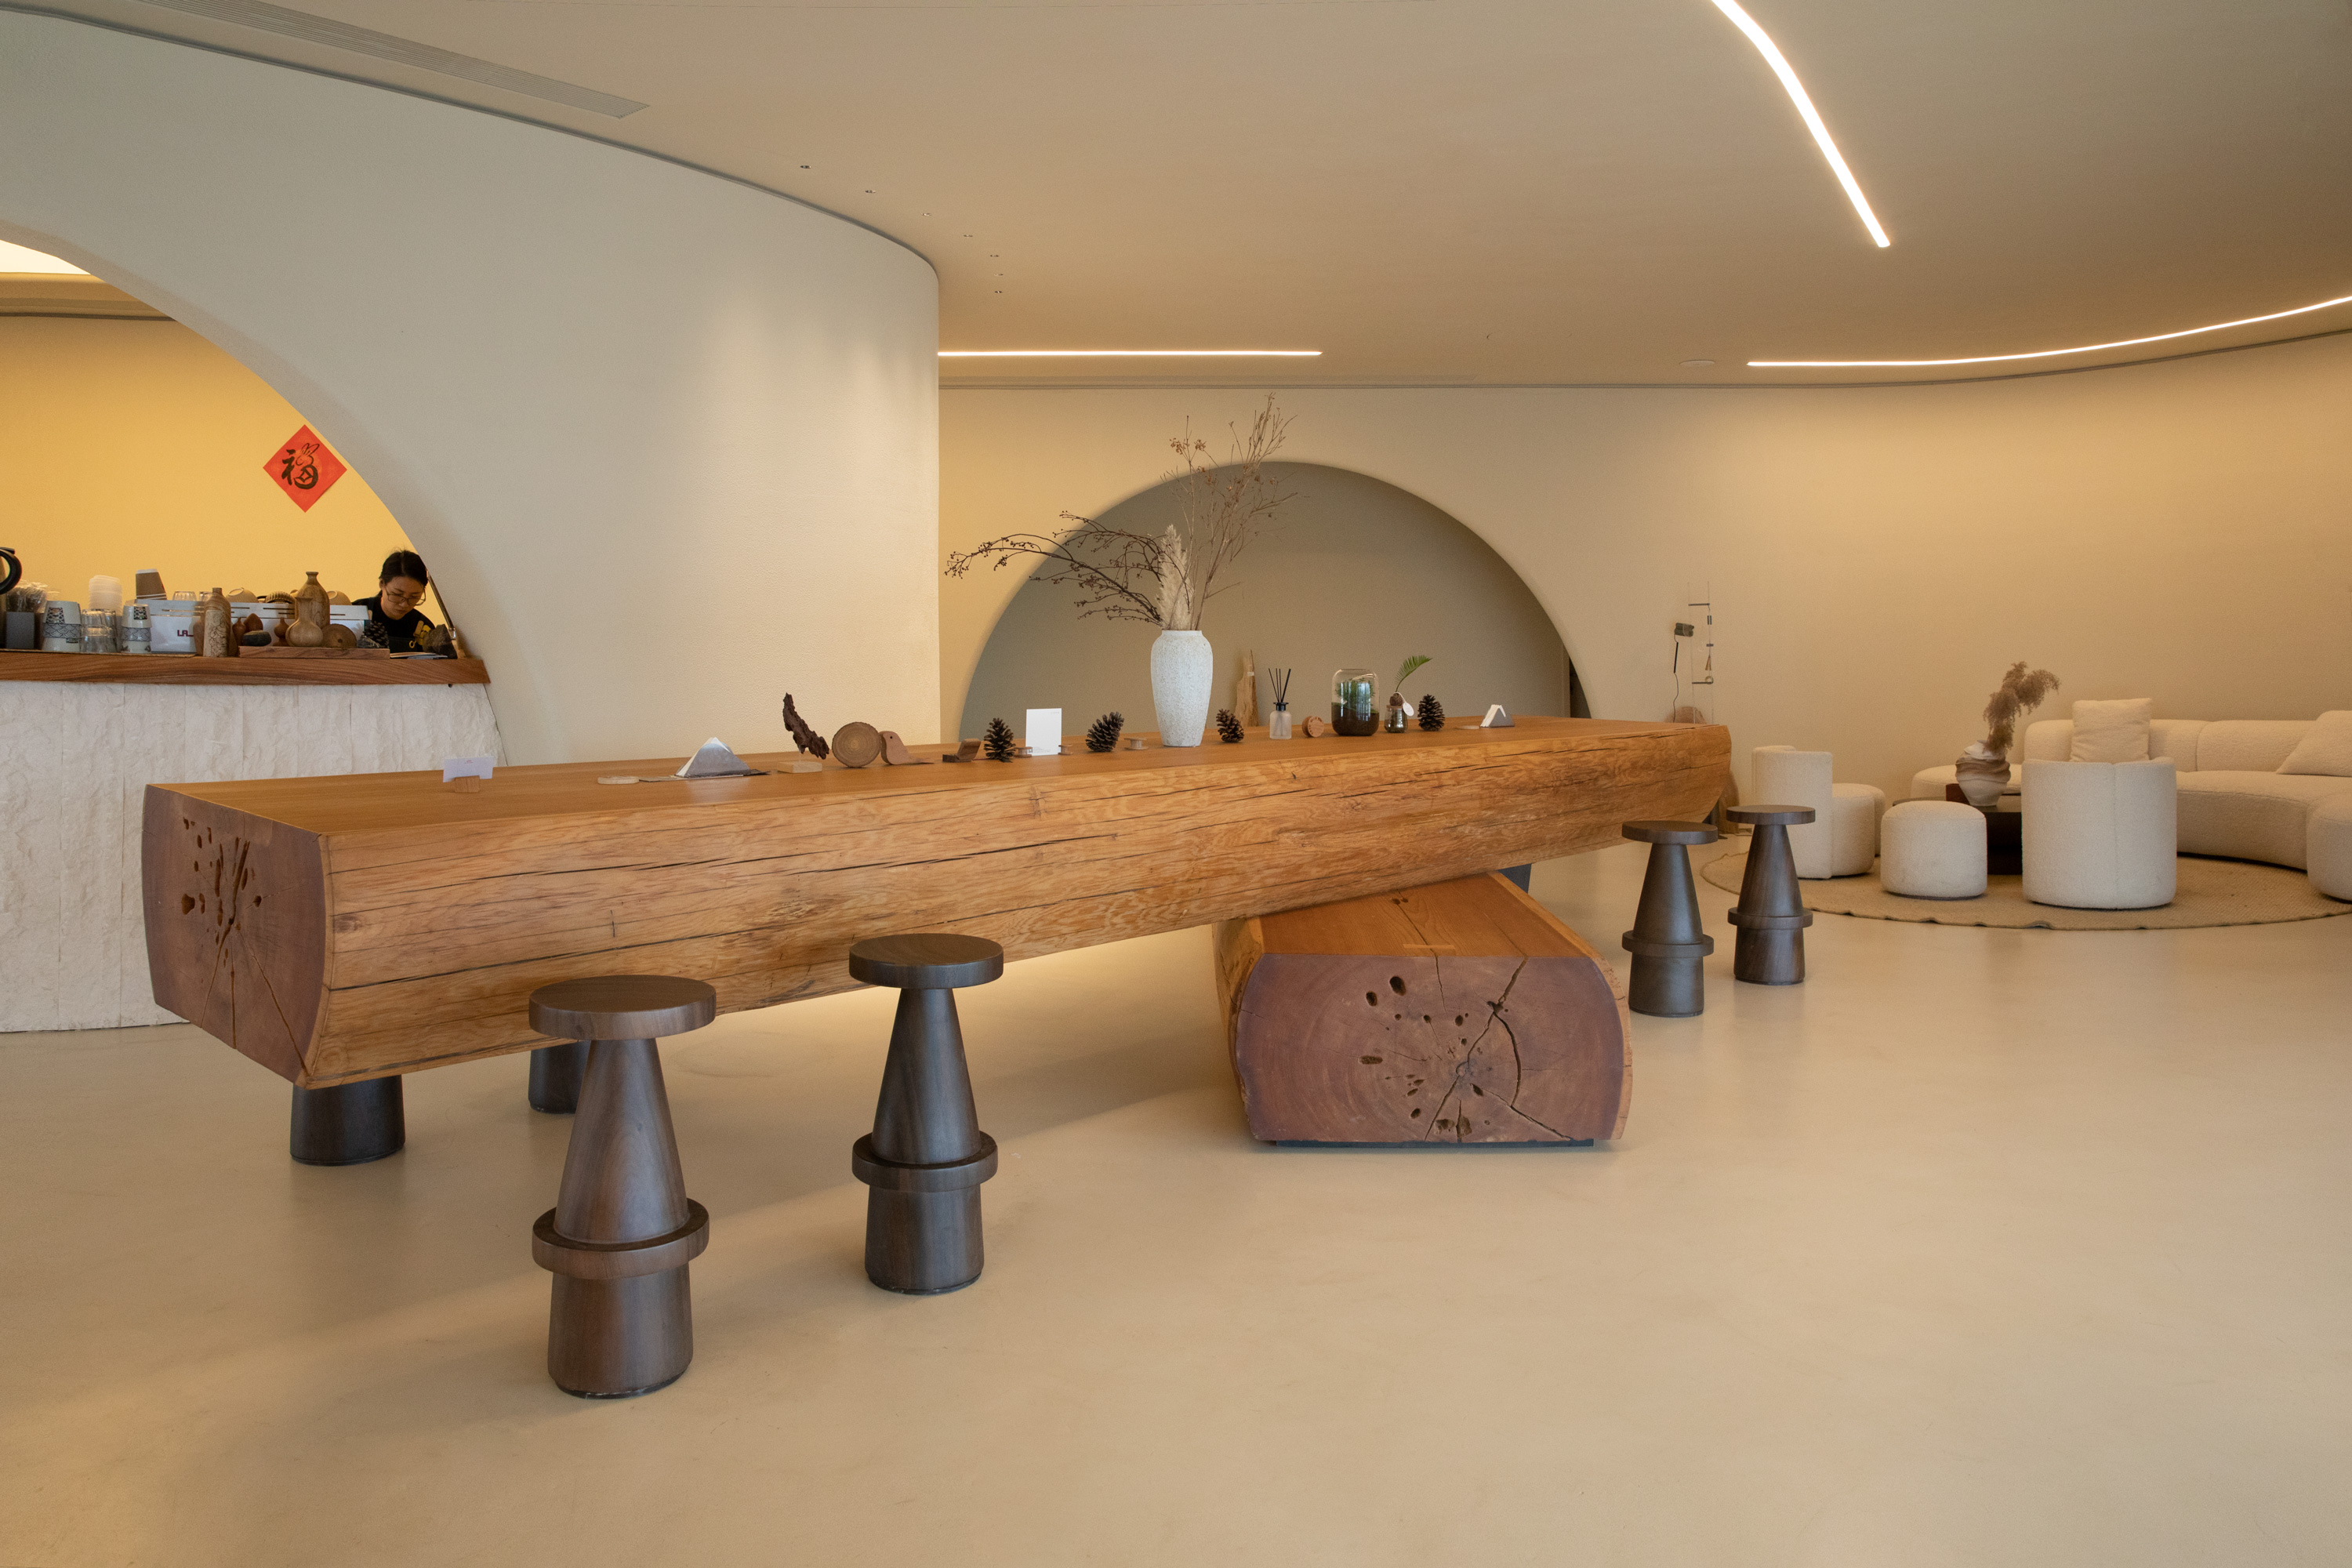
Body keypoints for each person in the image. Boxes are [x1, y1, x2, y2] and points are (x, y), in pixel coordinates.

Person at [356, 550, 437, 653]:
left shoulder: (423, 628)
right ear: (382, 583)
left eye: (414, 596)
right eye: (397, 594)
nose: (404, 604)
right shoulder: (353, 614)